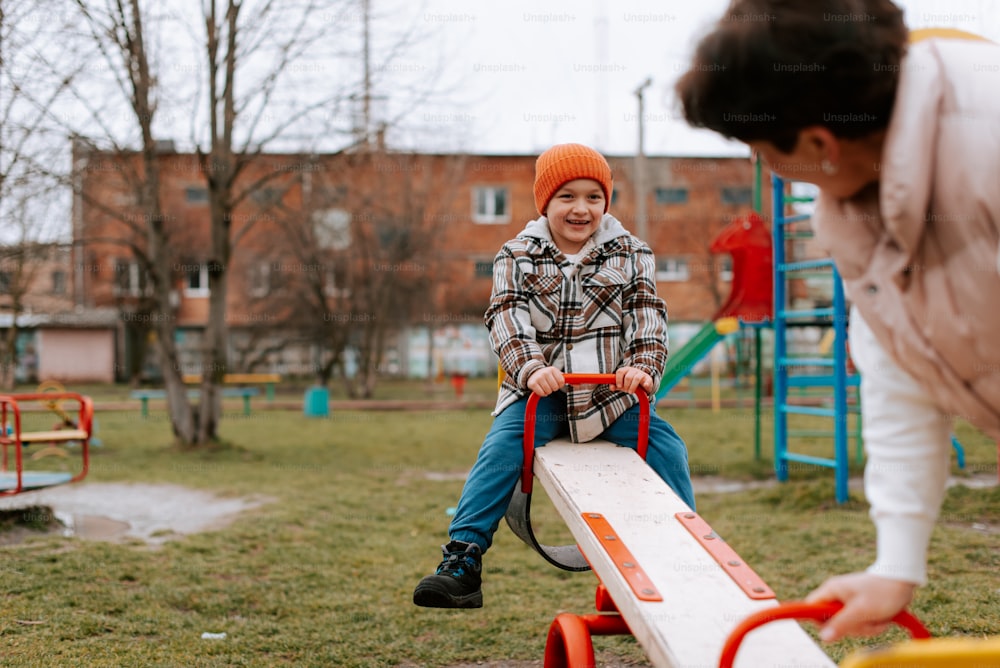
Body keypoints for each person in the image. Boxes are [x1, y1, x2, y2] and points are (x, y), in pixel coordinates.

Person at [674, 0, 1000, 642]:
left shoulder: (985, 139)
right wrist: (897, 563)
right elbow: (899, 374)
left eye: (762, 150)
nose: (767, 168)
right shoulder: (851, 215)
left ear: (821, 142)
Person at [412, 143, 696, 609]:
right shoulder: (518, 255)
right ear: (545, 202)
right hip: (541, 397)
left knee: (667, 447)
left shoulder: (631, 252)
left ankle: (682, 552)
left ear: (607, 201)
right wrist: (531, 368)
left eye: (593, 196)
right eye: (567, 196)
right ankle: (463, 559)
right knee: (501, 448)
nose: (581, 208)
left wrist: (641, 368)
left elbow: (648, 316)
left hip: (610, 398)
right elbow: (505, 316)